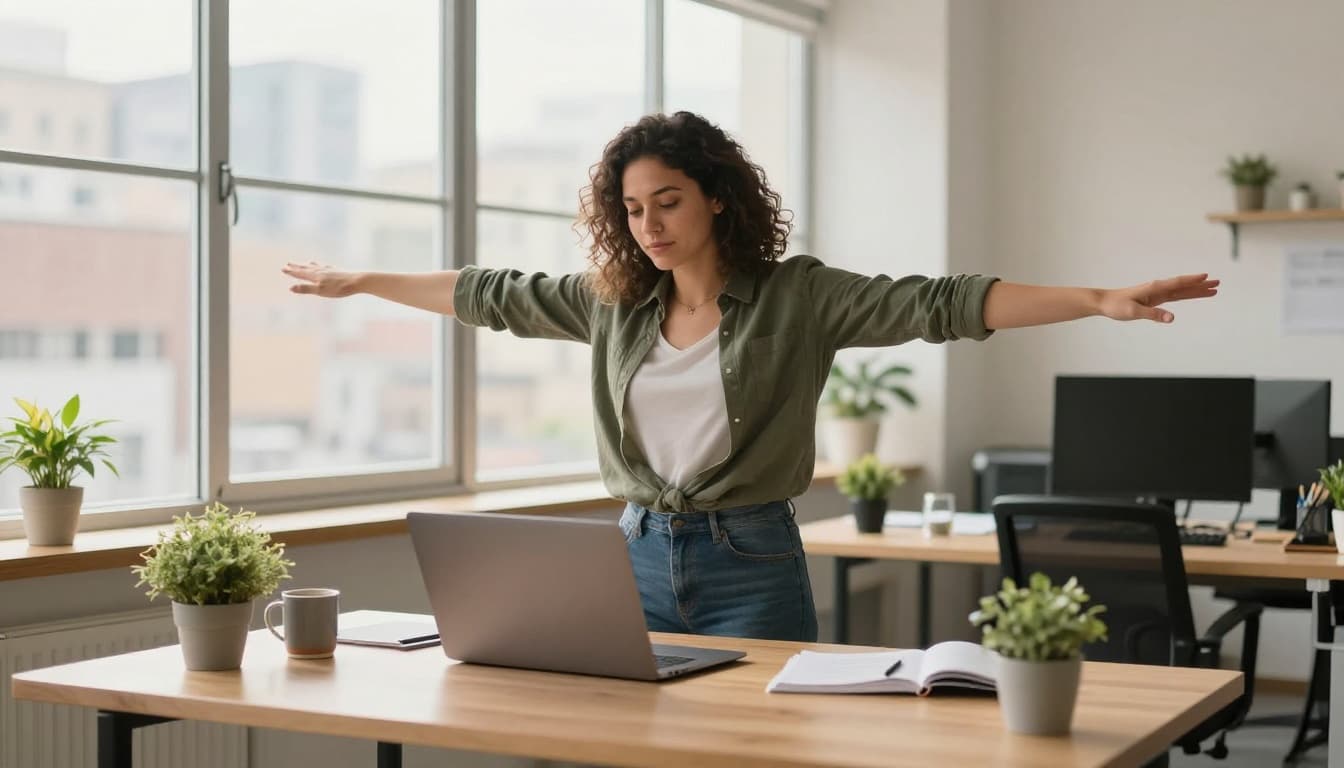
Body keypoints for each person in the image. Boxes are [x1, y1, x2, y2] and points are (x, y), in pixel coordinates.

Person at [283, 111, 1218, 643]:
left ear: (717, 197)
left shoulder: (799, 298)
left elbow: (943, 303)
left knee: (764, 745)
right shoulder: (610, 301)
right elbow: (489, 292)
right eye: (633, 208)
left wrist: (1096, 298)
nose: (648, 223)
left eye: (669, 201)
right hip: (636, 555)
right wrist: (362, 279)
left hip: (753, 560)